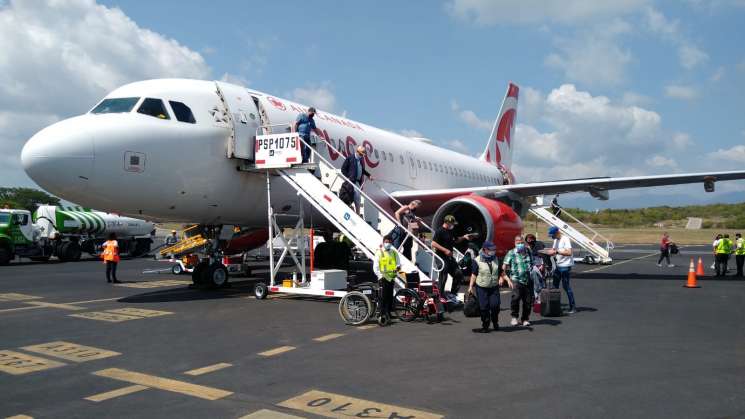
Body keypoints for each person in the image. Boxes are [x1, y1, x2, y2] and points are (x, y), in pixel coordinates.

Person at [431, 215, 477, 295]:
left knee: (458, 274)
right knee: (444, 273)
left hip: (449, 257)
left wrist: (464, 237)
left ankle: (453, 293)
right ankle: (440, 295)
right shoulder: (440, 231)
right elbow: (433, 243)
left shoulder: (451, 231)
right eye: (452, 223)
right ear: (447, 223)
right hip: (441, 256)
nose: (453, 225)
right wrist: (445, 250)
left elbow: (456, 240)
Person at [468, 241, 506, 333]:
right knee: (484, 307)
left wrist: (502, 278)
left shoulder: (496, 259)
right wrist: (470, 287)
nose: (493, 251)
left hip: (493, 287)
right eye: (491, 249)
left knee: (495, 306)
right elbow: (474, 275)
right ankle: (485, 325)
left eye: (494, 249)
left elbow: (501, 271)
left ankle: (495, 321)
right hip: (482, 287)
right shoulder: (477, 260)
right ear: (485, 250)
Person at [503, 235, 533, 327]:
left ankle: (525, 319)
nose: (520, 244)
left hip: (527, 279)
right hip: (516, 279)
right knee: (515, 298)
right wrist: (507, 279)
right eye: (518, 243)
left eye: (521, 242)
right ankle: (514, 317)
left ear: (524, 242)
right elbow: (504, 267)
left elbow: (532, 263)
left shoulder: (528, 251)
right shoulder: (511, 253)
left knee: (528, 301)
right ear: (515, 243)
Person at [545, 226, 576, 313]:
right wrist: (547, 251)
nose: (552, 237)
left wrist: (556, 252)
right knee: (555, 286)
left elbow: (569, 252)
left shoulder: (565, 239)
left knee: (566, 286)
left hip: (565, 266)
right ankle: (556, 306)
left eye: (553, 235)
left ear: (557, 233)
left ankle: (573, 307)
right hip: (558, 265)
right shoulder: (555, 240)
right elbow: (554, 250)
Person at [372, 235, 400, 323]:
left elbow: (398, 264)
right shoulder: (379, 252)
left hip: (391, 278)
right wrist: (380, 277)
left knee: (389, 297)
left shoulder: (394, 253)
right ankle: (382, 314)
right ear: (383, 242)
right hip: (383, 278)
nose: (388, 244)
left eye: (389, 242)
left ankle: (388, 313)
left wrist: (397, 268)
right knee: (382, 297)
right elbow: (375, 267)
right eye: (386, 242)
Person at [341, 146, 372, 215]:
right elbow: (343, 169)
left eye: (363, 155)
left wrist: (368, 175)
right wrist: (348, 178)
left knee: (357, 199)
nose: (362, 156)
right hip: (351, 182)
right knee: (353, 197)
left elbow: (362, 170)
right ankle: (354, 212)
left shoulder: (360, 161)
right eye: (361, 154)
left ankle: (357, 213)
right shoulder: (350, 158)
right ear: (357, 152)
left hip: (357, 182)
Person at [525, 233, 549, 301]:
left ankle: (541, 296)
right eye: (528, 241)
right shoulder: (528, 247)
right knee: (533, 281)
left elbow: (544, 255)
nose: (529, 242)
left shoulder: (539, 244)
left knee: (541, 280)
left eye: (530, 241)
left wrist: (543, 265)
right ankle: (536, 297)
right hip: (533, 265)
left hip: (541, 264)